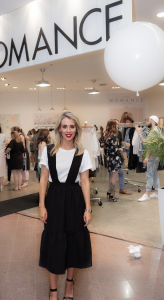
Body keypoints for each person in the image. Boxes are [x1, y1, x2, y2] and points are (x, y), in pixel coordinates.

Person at [39, 111, 93, 300]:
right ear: (59, 129)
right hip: (54, 199)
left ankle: (69, 286)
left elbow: (85, 182)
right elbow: (44, 179)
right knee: (54, 243)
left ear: (76, 129)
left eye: (71, 126)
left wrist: (88, 208)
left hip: (74, 201)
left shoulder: (82, 153)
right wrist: (41, 205)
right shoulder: (48, 151)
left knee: (73, 243)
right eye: (65, 126)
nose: (68, 130)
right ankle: (53, 290)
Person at [135, 115, 160, 202]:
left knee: (149, 175)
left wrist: (147, 158)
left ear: (153, 121)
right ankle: (157, 193)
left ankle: (147, 194)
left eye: (149, 120)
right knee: (155, 175)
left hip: (152, 157)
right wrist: (139, 131)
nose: (148, 122)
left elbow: (149, 145)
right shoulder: (157, 130)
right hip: (156, 157)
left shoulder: (154, 132)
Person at [104, 120, 122, 202]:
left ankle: (109, 191)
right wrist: (121, 149)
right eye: (117, 125)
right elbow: (115, 150)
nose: (118, 126)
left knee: (111, 176)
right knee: (114, 178)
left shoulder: (107, 136)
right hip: (115, 159)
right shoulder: (114, 136)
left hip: (110, 159)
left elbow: (106, 151)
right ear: (114, 126)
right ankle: (112, 194)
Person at [114, 119, 131, 195]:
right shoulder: (110, 134)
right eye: (116, 124)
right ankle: (112, 189)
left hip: (118, 155)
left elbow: (120, 142)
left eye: (118, 124)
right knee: (112, 174)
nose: (118, 126)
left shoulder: (119, 133)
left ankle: (121, 189)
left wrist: (125, 143)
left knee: (121, 172)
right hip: (112, 156)